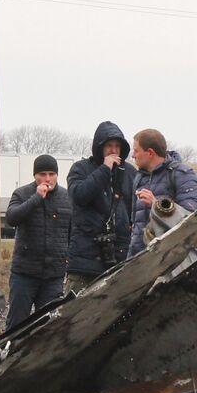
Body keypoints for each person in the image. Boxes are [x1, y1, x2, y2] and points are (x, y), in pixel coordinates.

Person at [66, 121, 137, 290]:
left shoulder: (129, 173)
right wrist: (105, 169)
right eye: (109, 146)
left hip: (119, 256)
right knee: (74, 312)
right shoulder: (80, 169)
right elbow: (79, 195)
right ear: (100, 147)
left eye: (117, 146)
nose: (113, 150)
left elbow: (134, 210)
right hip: (86, 258)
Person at [5, 155, 72, 331]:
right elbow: (12, 218)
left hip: (53, 277)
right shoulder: (22, 194)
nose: (47, 179)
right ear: (35, 175)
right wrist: (36, 198)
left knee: (48, 328)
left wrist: (68, 260)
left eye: (51, 174)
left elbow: (73, 232)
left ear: (57, 175)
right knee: (16, 326)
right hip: (25, 273)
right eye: (42, 174)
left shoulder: (67, 197)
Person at [127, 129, 197, 257]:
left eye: (136, 150)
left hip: (172, 261)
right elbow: (136, 228)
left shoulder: (183, 175)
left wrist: (156, 205)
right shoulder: (139, 178)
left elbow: (191, 220)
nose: (133, 155)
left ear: (150, 153)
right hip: (140, 261)